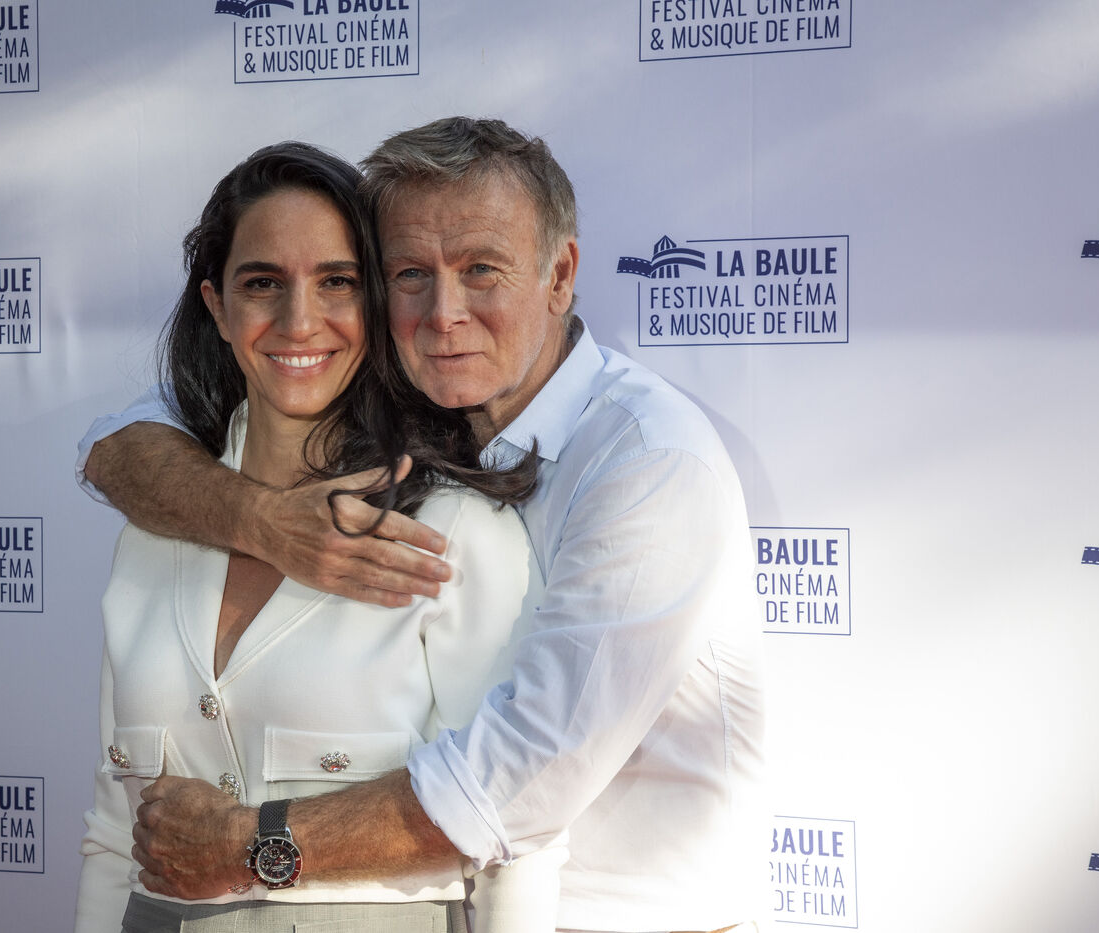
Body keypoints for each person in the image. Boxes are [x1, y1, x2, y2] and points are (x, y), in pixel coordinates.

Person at [78, 118, 766, 933]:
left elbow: (514, 779)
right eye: (411, 273)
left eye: (481, 270)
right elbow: (116, 443)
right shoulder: (415, 417)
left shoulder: (647, 459)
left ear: (559, 275)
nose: (444, 314)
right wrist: (261, 520)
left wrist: (246, 845)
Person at [74, 141, 565, 933]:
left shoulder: (452, 531)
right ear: (216, 306)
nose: (299, 320)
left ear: (375, 302)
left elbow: (518, 833)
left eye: (336, 281)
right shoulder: (152, 533)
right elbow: (112, 832)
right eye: (262, 283)